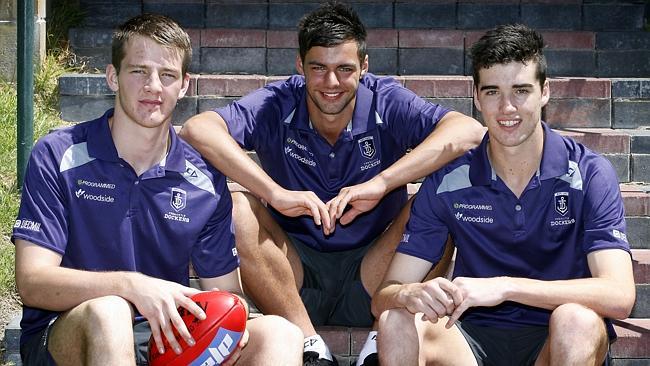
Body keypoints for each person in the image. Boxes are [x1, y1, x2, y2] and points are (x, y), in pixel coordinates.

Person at [179, 2, 485, 365]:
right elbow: (198, 129)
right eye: (318, 69)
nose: (332, 83)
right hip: (291, 275)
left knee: (440, 201)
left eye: (345, 69)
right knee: (240, 206)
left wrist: (381, 183)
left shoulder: (384, 100)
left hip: (375, 270)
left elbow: (468, 132)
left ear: (365, 67)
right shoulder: (277, 101)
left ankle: (379, 341)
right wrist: (273, 193)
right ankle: (310, 346)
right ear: (299, 66)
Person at [12, 13, 303, 366]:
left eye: (167, 75)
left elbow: (225, 292)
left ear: (183, 85)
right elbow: (32, 282)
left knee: (280, 335)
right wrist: (130, 286)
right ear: (112, 77)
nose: (153, 86)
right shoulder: (59, 153)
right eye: (138, 71)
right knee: (110, 312)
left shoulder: (204, 180)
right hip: (67, 329)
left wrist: (227, 323)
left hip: (166, 337)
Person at [371, 23, 636, 366]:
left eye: (521, 90)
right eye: (493, 91)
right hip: (470, 339)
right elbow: (383, 296)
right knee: (395, 319)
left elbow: (619, 295)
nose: (507, 107)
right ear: (477, 97)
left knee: (577, 320)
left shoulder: (589, 173)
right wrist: (410, 292)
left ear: (545, 91)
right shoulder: (449, 180)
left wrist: (506, 287)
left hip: (556, 340)